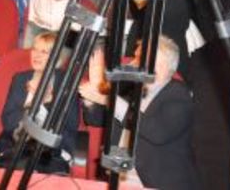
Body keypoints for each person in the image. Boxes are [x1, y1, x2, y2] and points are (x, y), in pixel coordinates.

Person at [80, 37, 201, 189]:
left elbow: (157, 133)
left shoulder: (179, 95)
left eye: (144, 59)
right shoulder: (129, 89)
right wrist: (92, 97)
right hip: (119, 176)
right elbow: (95, 120)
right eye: (137, 58)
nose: (135, 63)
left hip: (159, 182)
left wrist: (109, 100)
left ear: (166, 66)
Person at [0, 32, 79, 172]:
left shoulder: (67, 83)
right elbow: (7, 120)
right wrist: (31, 106)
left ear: (58, 58)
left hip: (52, 150)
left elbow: (70, 128)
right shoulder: (20, 78)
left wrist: (47, 102)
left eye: (44, 52)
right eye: (35, 49)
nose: (36, 55)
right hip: (16, 145)